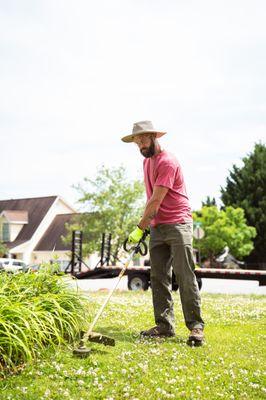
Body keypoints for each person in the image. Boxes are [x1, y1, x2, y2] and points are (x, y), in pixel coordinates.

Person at [121, 120, 205, 346]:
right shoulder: (148, 162)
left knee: (185, 275)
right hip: (158, 225)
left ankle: (196, 327)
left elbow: (156, 200)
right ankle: (164, 326)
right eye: (137, 141)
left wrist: (139, 229)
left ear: (154, 137)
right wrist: (148, 224)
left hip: (178, 223)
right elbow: (151, 200)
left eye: (143, 140)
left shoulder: (168, 161)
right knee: (158, 277)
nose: (140, 145)